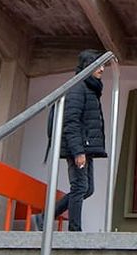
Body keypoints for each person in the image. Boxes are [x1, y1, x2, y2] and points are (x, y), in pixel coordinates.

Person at [34, 49, 107, 232]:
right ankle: (74, 230)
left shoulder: (89, 88)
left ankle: (43, 218)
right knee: (80, 186)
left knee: (87, 189)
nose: (103, 69)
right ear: (88, 66)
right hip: (78, 147)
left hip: (85, 147)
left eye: (103, 65)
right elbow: (71, 122)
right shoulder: (78, 88)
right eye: (99, 65)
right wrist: (78, 151)